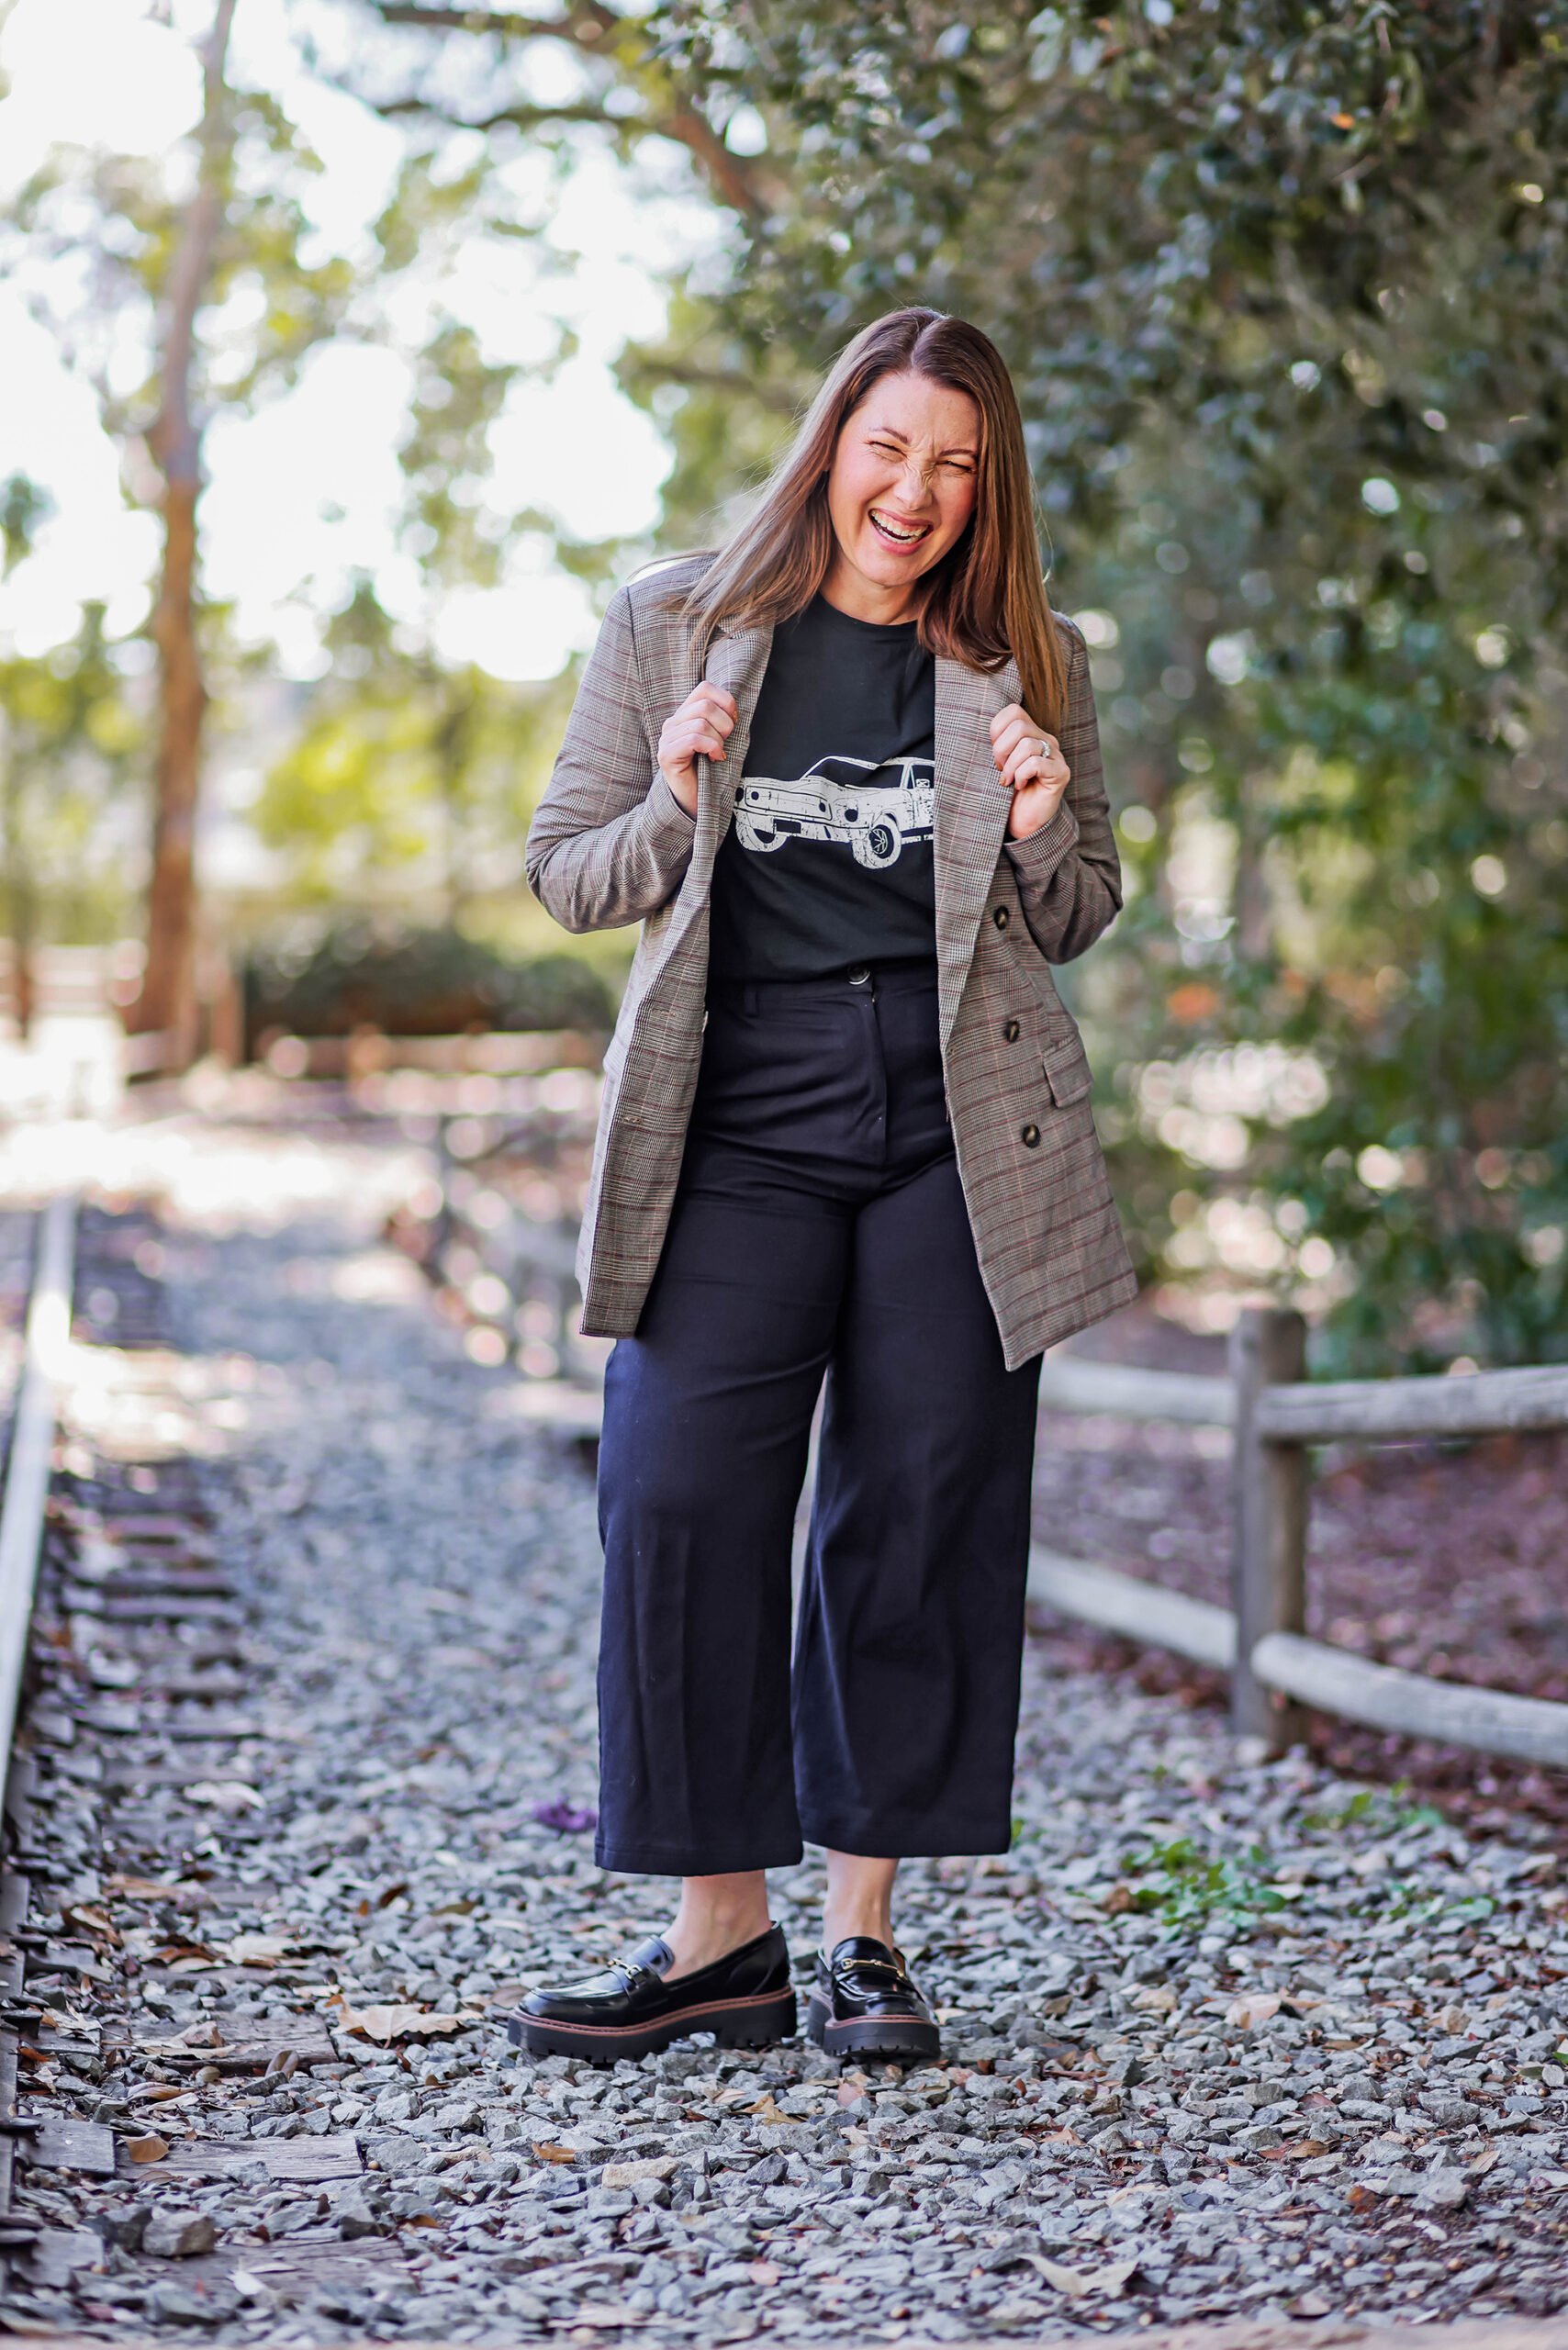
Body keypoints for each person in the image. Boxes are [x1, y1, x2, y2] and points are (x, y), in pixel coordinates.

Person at [508, 306, 1137, 2065]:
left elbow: (1081, 911)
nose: (916, 492)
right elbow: (570, 874)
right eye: (889, 450)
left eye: (955, 465)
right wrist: (674, 786)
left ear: (984, 486)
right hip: (736, 1110)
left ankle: (860, 1932)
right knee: (681, 1490)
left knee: (920, 1502)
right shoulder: (674, 622)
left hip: (953, 1122)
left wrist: (1036, 824)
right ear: (831, 442)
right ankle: (721, 1938)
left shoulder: (1031, 657)